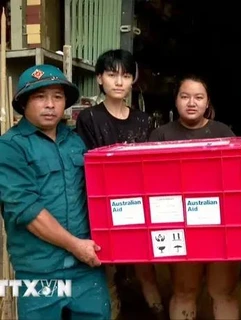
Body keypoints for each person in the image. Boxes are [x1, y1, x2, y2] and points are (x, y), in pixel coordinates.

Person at [0, 64, 111, 319]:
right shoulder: (10, 148)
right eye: (40, 97)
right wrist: (75, 246)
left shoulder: (75, 142)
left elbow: (95, 196)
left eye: (57, 97)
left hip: (86, 269)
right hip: (39, 272)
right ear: (24, 103)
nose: (50, 104)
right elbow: (28, 211)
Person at [75, 49, 164, 319]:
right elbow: (88, 165)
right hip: (106, 207)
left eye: (125, 76)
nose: (119, 82)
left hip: (141, 206)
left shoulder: (143, 120)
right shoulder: (89, 118)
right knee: (108, 272)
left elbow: (152, 166)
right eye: (112, 75)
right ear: (100, 79)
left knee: (146, 270)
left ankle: (157, 313)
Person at [149, 74, 240, 320]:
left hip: (219, 225)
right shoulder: (160, 136)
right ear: (176, 101)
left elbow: (236, 180)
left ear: (207, 102)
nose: (192, 102)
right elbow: (151, 184)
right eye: (185, 96)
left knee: (222, 291)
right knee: (184, 291)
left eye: (199, 97)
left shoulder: (223, 132)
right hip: (178, 225)